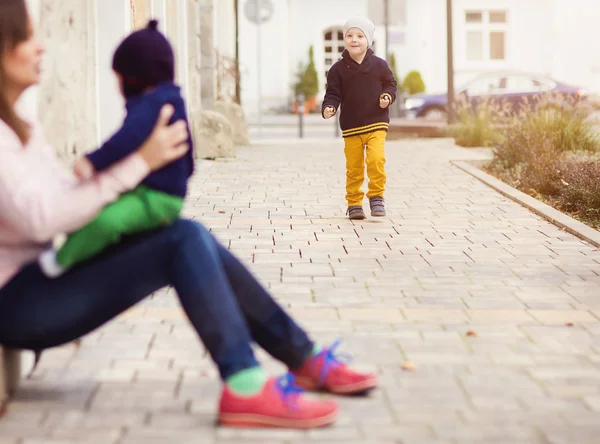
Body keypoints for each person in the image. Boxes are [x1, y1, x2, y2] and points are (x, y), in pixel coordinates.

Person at [0, 0, 377, 429]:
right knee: (182, 239)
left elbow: (63, 196)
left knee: (186, 233)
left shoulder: (20, 129)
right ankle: (248, 385)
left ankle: (302, 359)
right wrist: (139, 162)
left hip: (46, 280)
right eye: (28, 37)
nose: (41, 48)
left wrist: (125, 170)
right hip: (19, 304)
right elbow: (43, 217)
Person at [39, 19, 194, 277]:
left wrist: (93, 161)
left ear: (136, 77)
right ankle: (79, 251)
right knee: (97, 209)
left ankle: (58, 263)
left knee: (105, 222)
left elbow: (127, 138)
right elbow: (189, 156)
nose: (117, 86)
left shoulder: (153, 104)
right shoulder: (171, 99)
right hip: (155, 193)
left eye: (119, 77)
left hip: (156, 199)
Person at [322, 17, 397, 220]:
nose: (354, 39)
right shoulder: (337, 70)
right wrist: (329, 107)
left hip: (377, 122)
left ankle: (376, 196)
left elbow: (391, 85)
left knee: (376, 160)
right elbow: (333, 94)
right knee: (354, 168)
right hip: (352, 126)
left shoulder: (379, 65)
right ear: (345, 39)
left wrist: (387, 97)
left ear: (368, 40)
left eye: (360, 36)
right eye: (349, 35)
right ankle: (354, 202)